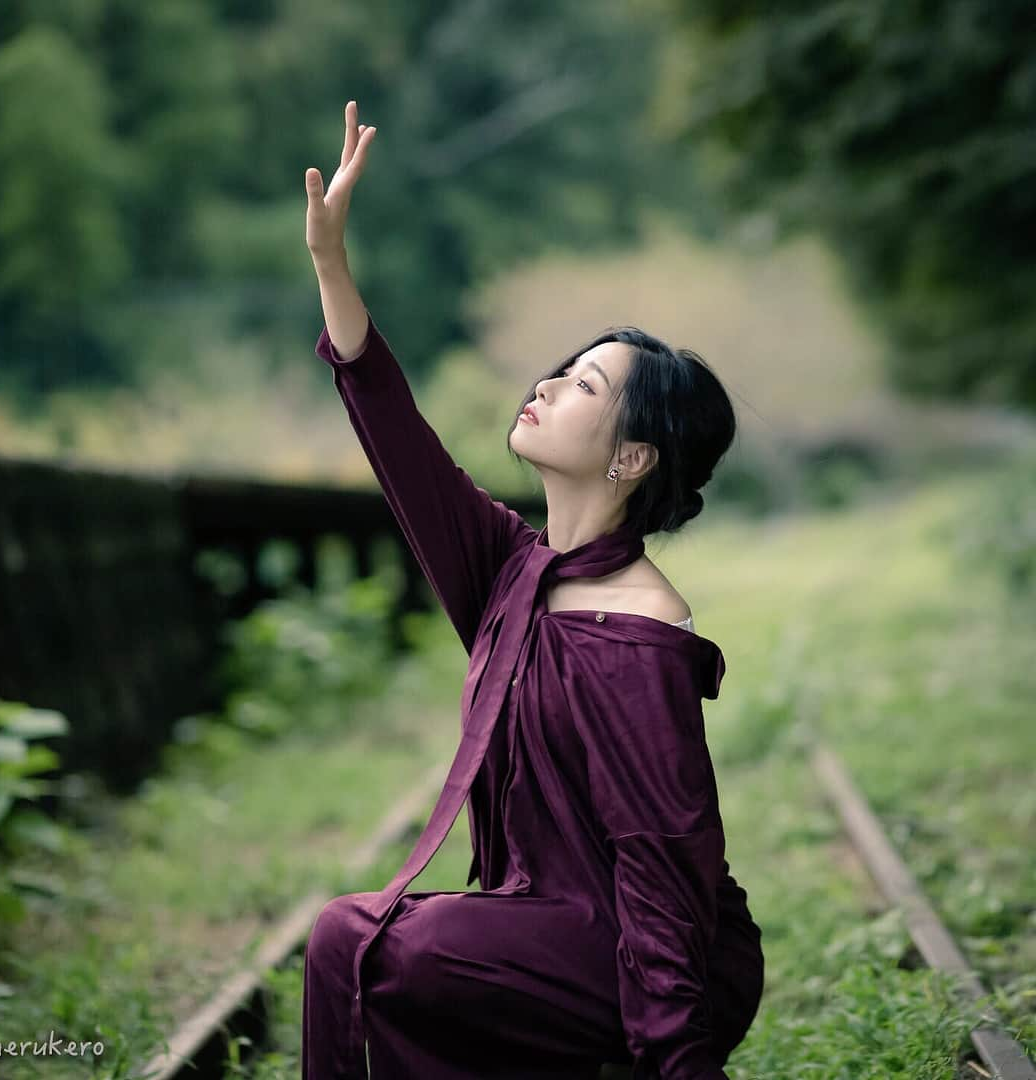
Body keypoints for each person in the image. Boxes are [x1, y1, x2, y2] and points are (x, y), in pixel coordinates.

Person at [301, 100, 764, 1080]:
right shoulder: (515, 569)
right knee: (359, 939)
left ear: (633, 456)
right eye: (560, 373)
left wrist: (674, 1058)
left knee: (369, 939)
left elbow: (664, 871)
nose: (547, 387)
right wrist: (333, 265)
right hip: (541, 923)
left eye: (584, 388)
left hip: (638, 955)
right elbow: (401, 444)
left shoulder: (636, 635)